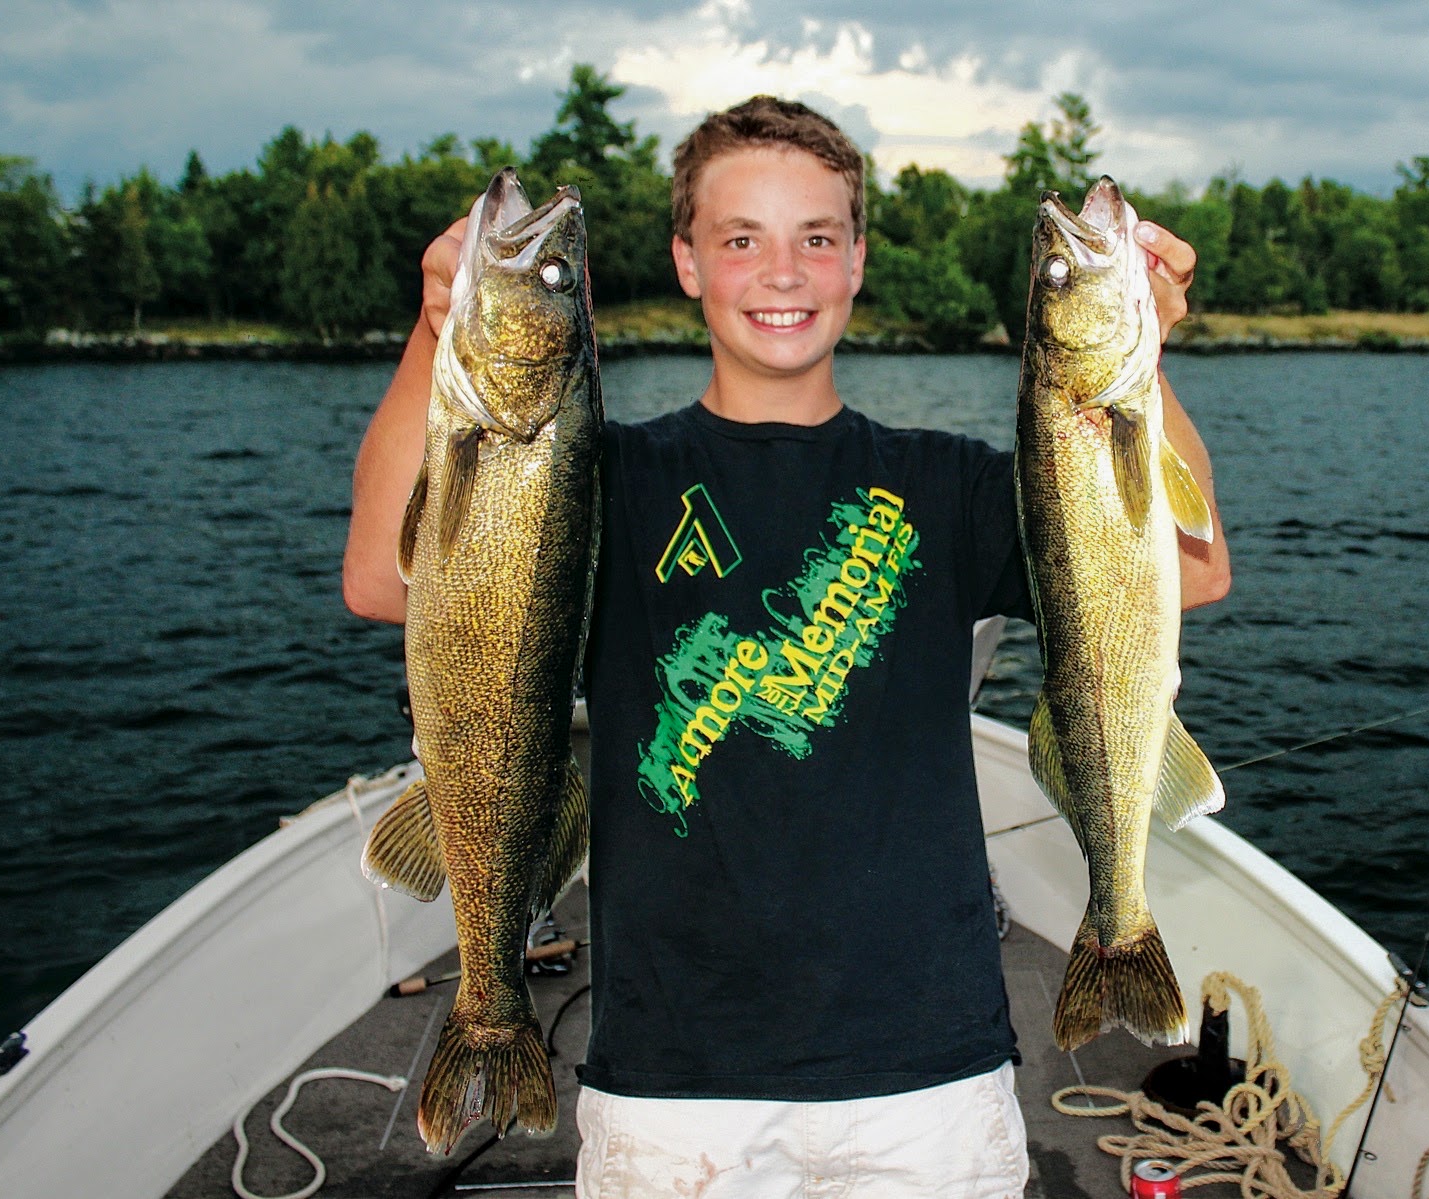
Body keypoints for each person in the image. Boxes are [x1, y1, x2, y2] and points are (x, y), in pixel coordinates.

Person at [342, 95, 1228, 1199]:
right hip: (673, 1082)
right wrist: (437, 329)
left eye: (816, 237)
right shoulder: (598, 480)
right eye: (739, 239)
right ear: (686, 264)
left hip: (928, 1066)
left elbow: (1189, 570)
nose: (783, 271)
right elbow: (384, 578)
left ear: (856, 261)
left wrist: (1142, 356)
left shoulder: (948, 480)